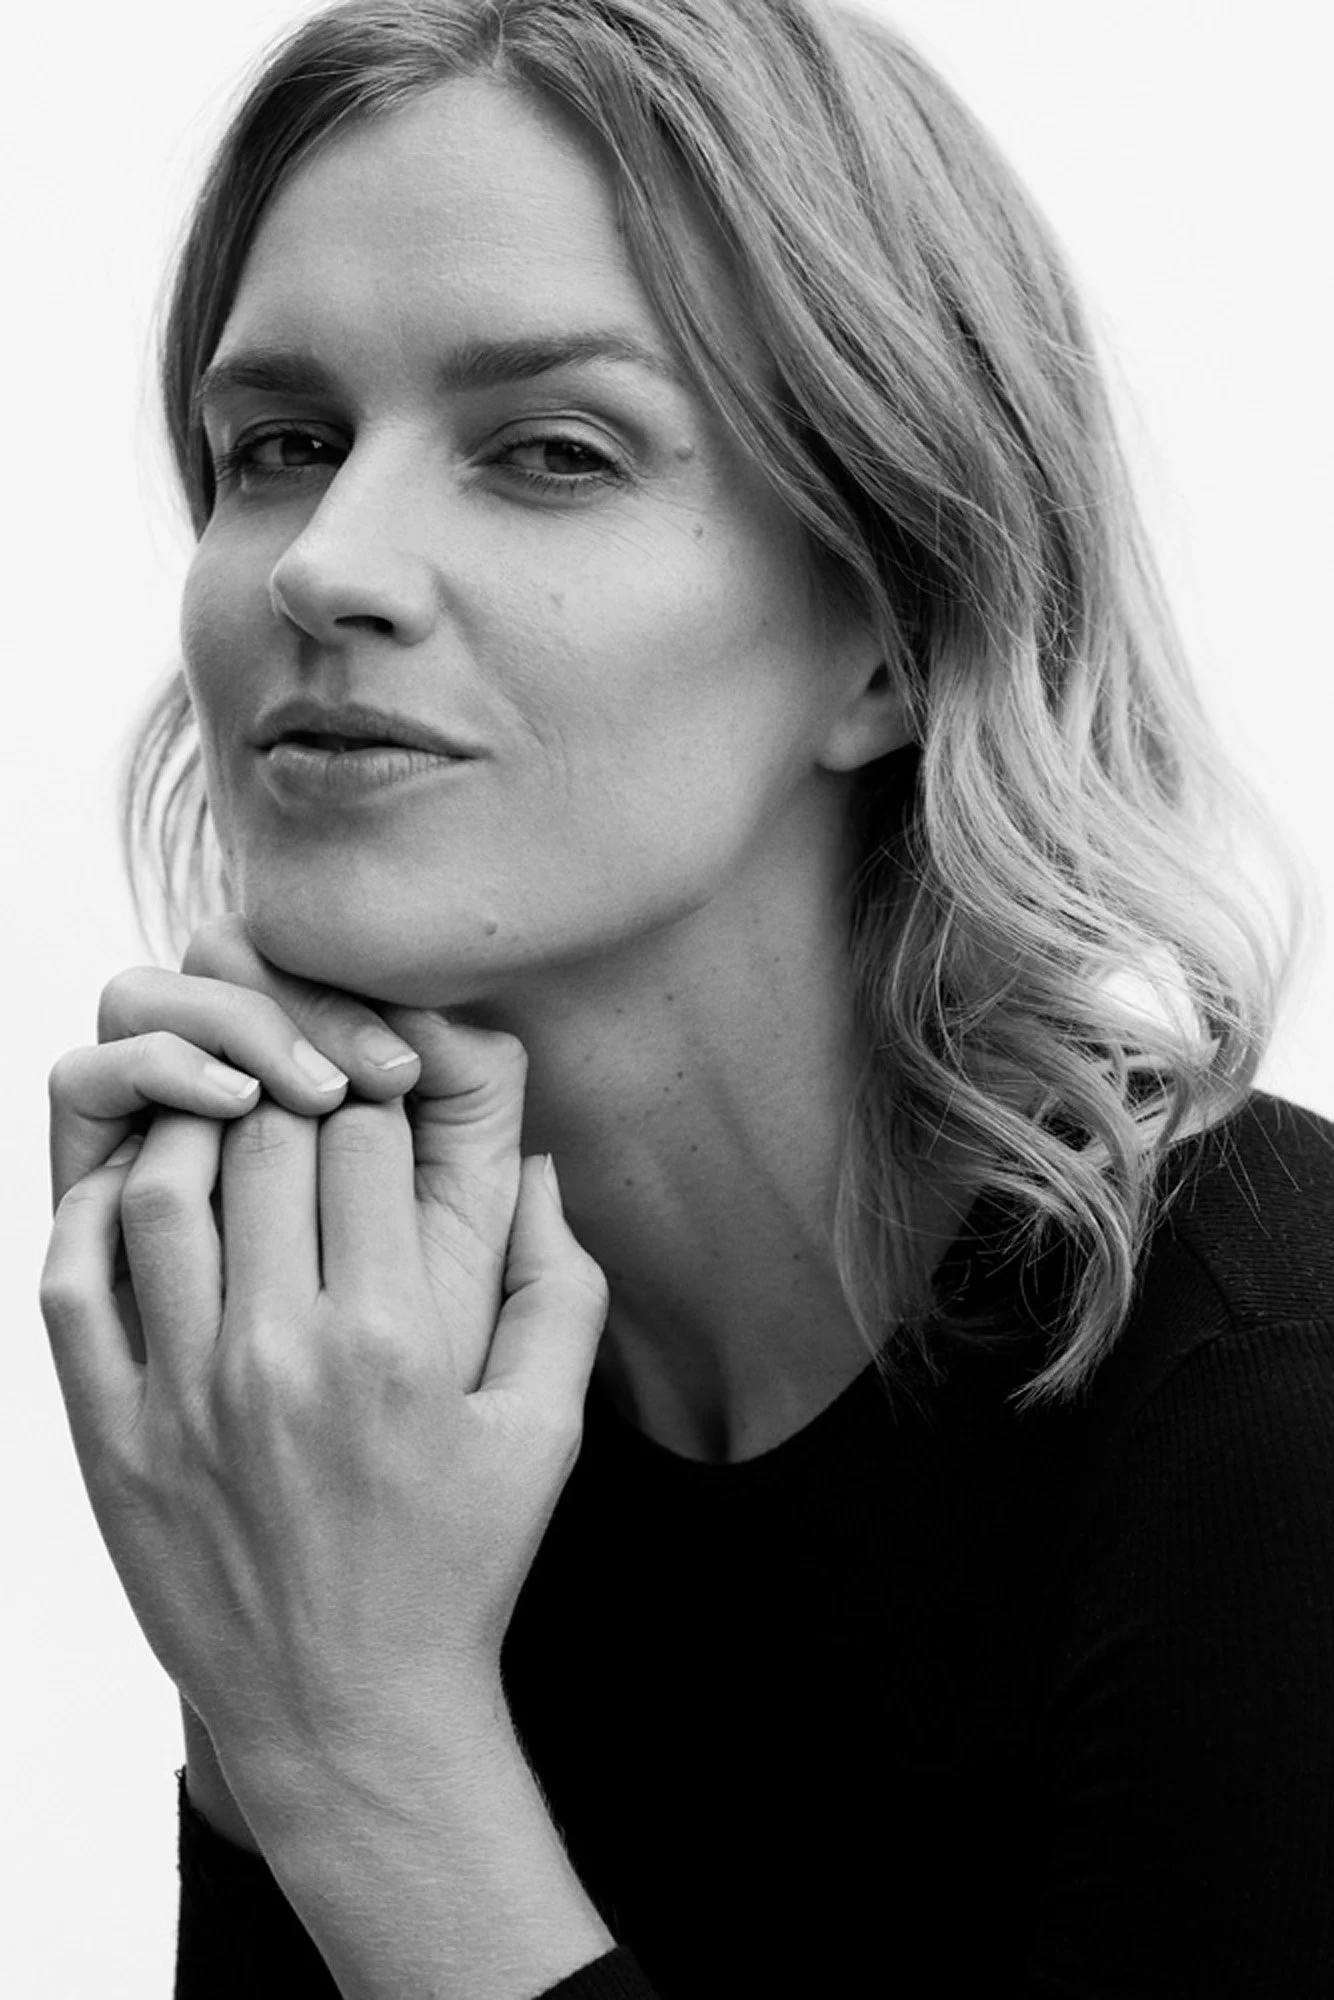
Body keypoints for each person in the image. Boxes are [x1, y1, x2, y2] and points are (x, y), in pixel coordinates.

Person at [39, 0, 1334, 1994]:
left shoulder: (1274, 1416)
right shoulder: (367, 1407)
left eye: (550, 451)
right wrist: (264, 1681)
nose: (327, 566)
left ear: (892, 634)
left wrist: (357, 1745)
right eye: (278, 447)